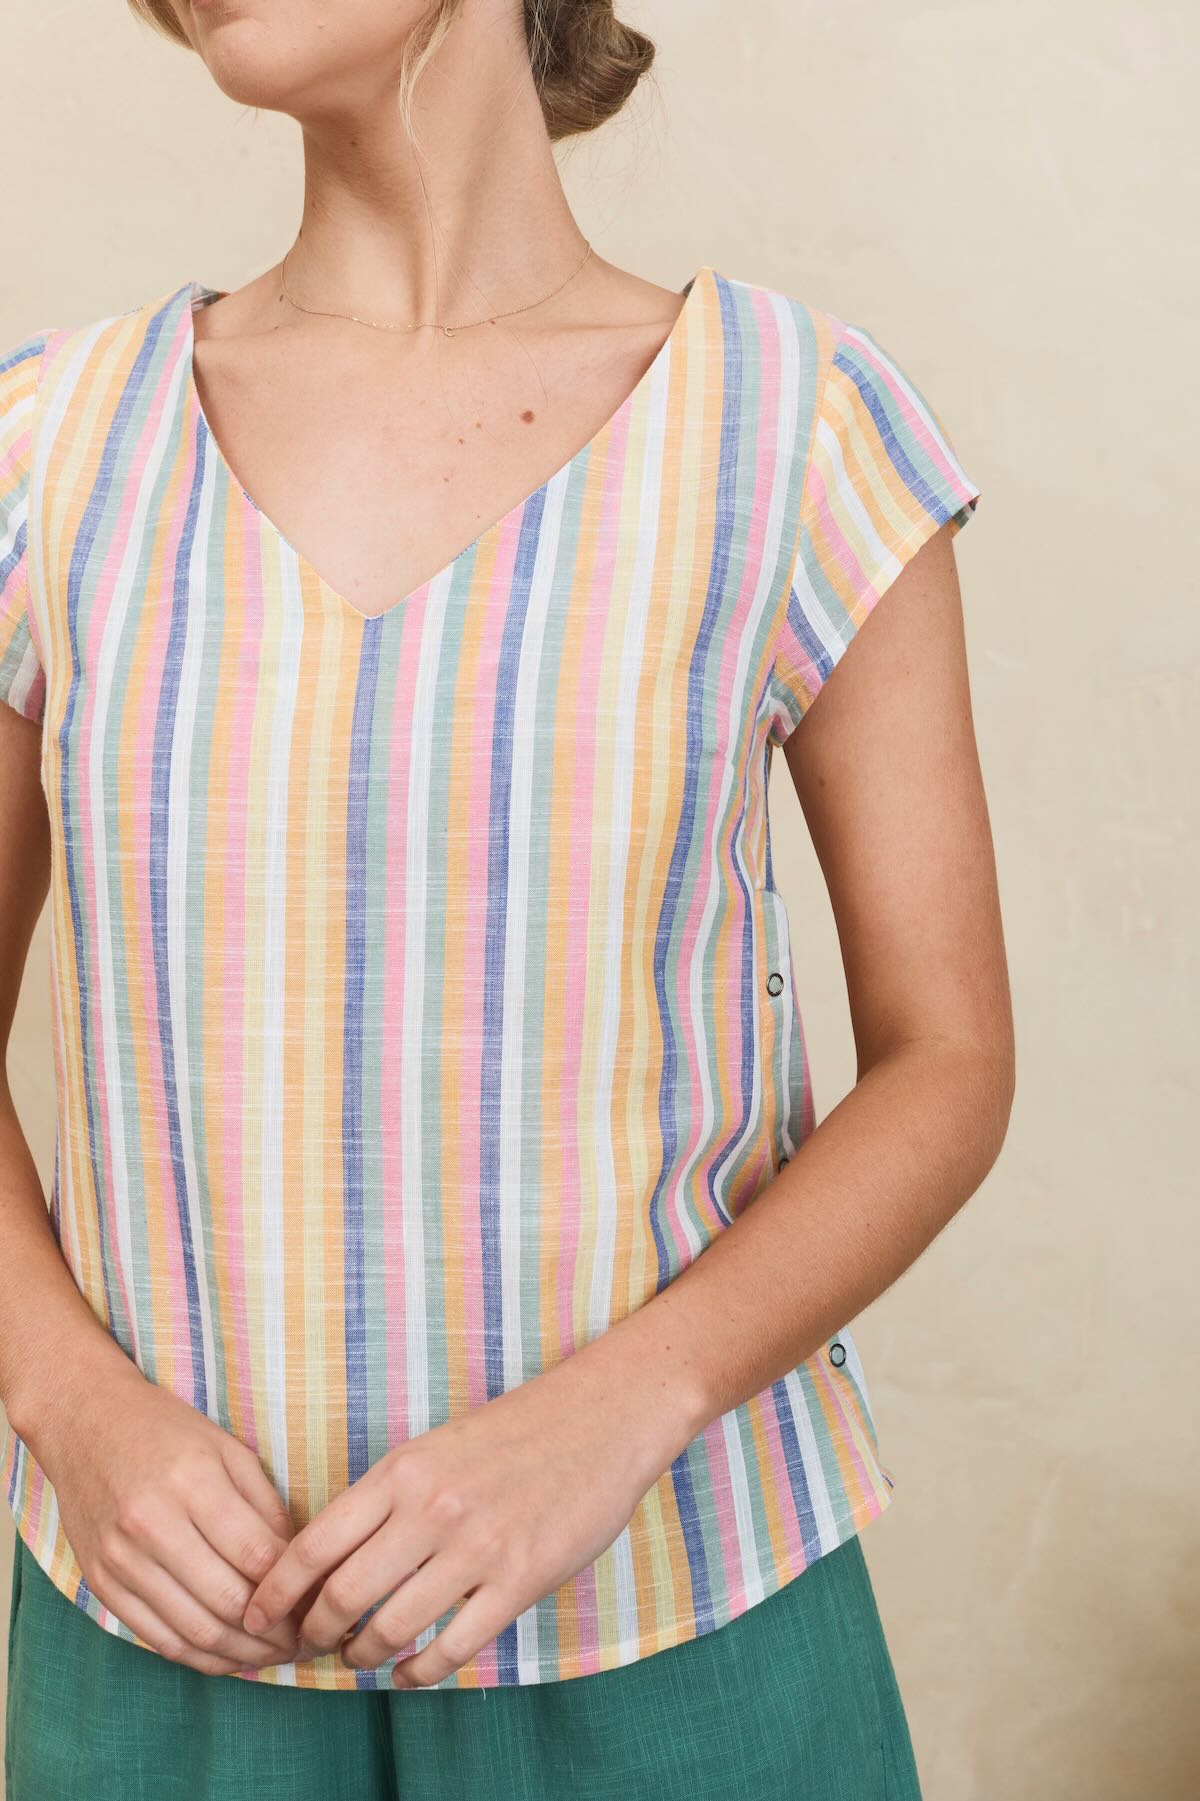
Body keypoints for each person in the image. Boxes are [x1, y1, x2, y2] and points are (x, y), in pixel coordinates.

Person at [0, 1, 1013, 1796]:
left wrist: (627, 1407)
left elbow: (948, 1059)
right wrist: (65, 1400)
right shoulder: (46, 452)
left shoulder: (793, 425)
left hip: (682, 1628)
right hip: (169, 1649)